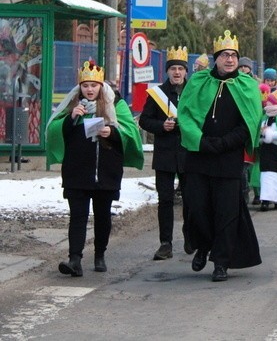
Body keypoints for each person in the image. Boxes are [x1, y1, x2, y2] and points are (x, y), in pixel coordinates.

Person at [178, 30, 263, 282]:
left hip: (228, 158)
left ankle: (221, 262)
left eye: (233, 55)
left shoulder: (247, 86)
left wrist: (225, 143)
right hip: (199, 155)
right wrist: (201, 141)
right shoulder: (198, 81)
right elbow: (186, 114)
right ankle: (203, 245)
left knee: (227, 212)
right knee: (198, 208)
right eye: (225, 55)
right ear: (216, 58)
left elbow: (251, 121)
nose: (229, 59)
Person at [46, 61, 144, 276]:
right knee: (78, 216)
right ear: (80, 87)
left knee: (102, 216)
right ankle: (75, 260)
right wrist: (71, 119)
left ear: (101, 87)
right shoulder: (73, 105)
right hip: (77, 171)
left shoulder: (115, 106)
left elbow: (131, 132)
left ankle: (99, 254)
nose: (89, 90)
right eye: (85, 85)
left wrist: (112, 132)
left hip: (106, 172)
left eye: (94, 85)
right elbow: (53, 128)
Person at [139, 46, 193, 260]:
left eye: (180, 68)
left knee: (191, 198)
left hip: (189, 154)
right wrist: (162, 126)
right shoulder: (157, 94)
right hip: (165, 154)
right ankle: (165, 243)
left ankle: (190, 236)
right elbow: (144, 120)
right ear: (168, 71)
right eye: (173, 69)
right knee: (165, 200)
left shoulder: (193, 92)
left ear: (186, 71)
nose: (177, 73)